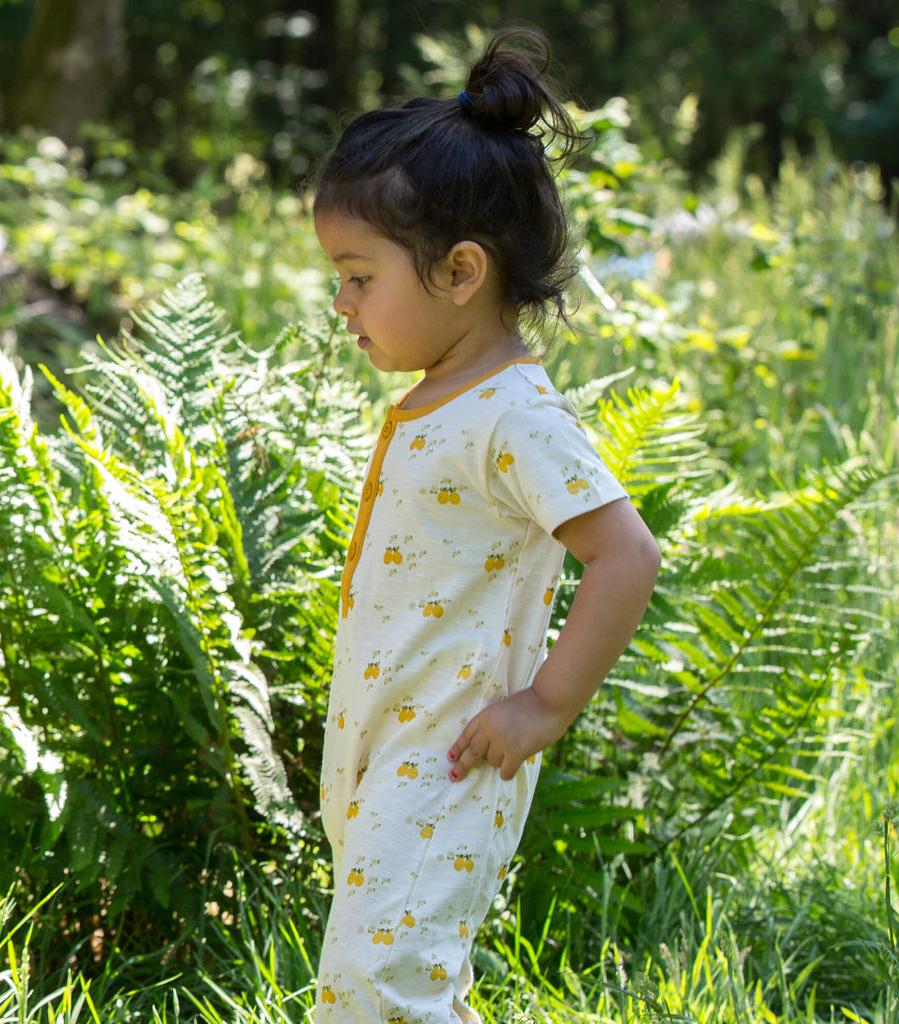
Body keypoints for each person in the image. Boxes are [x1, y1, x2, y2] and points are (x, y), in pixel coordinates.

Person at [311, 26, 661, 1024]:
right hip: (382, 753)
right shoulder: (443, 397)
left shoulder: (514, 414)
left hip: (452, 755)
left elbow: (625, 554)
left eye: (359, 275)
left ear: (461, 272)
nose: (341, 302)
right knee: (400, 985)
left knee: (377, 990)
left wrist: (544, 707)